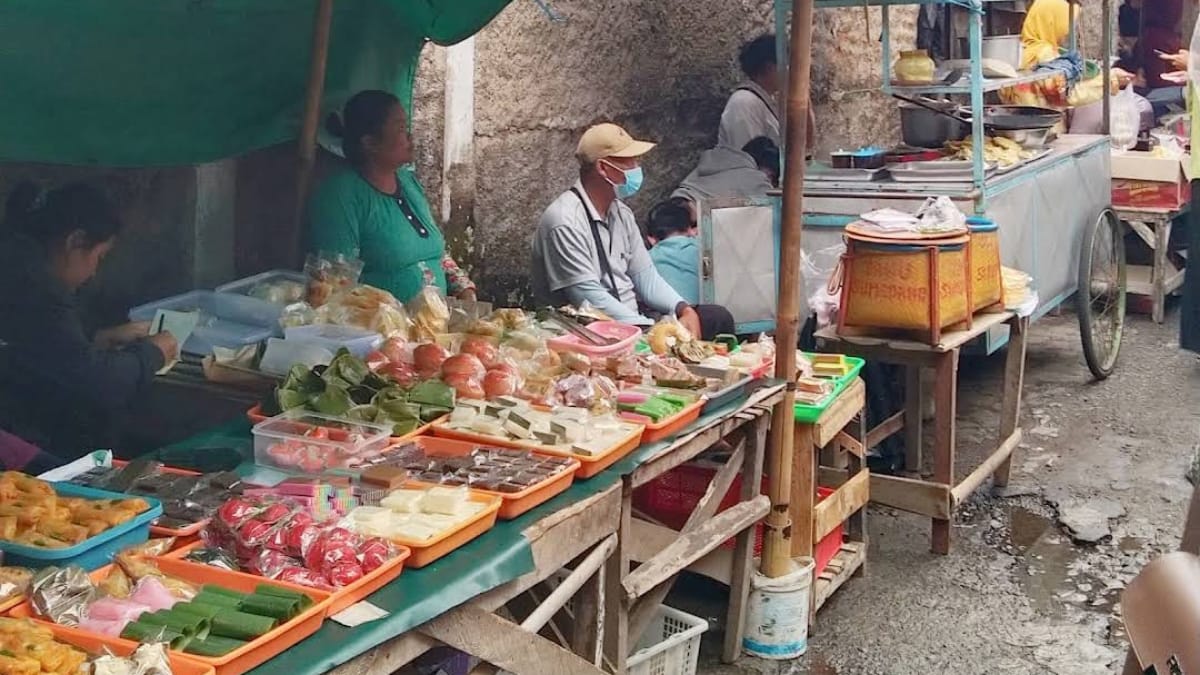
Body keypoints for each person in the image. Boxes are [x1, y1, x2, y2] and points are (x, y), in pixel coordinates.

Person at [0, 182, 178, 463]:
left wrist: (94, 339)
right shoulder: (33, 285)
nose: (95, 272)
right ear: (75, 241)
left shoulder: (16, 259)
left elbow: (37, 349)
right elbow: (99, 384)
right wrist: (153, 353)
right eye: (100, 257)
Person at [530, 122, 735, 340]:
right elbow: (588, 299)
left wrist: (683, 308)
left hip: (635, 323)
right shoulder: (564, 221)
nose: (637, 167)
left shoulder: (621, 213)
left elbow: (645, 276)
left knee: (716, 318)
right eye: (629, 162)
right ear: (603, 168)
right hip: (587, 332)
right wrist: (647, 329)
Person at [308, 90, 476, 305]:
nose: (410, 136)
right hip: (381, 331)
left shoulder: (407, 181)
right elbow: (333, 286)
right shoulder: (339, 196)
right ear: (370, 142)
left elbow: (436, 251)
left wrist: (464, 288)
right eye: (400, 129)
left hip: (433, 326)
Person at [718, 35, 816, 156]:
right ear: (770, 67)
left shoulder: (768, 101)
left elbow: (805, 146)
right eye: (788, 65)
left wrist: (804, 96)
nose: (793, 71)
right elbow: (749, 158)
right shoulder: (744, 102)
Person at [671, 136, 780, 209]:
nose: (770, 183)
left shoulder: (716, 162)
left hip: (670, 211)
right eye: (771, 177)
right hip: (694, 222)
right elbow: (771, 210)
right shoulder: (755, 177)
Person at [646, 200, 700, 306]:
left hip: (667, 317)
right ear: (690, 229)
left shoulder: (647, 258)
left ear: (652, 239)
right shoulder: (701, 249)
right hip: (705, 313)